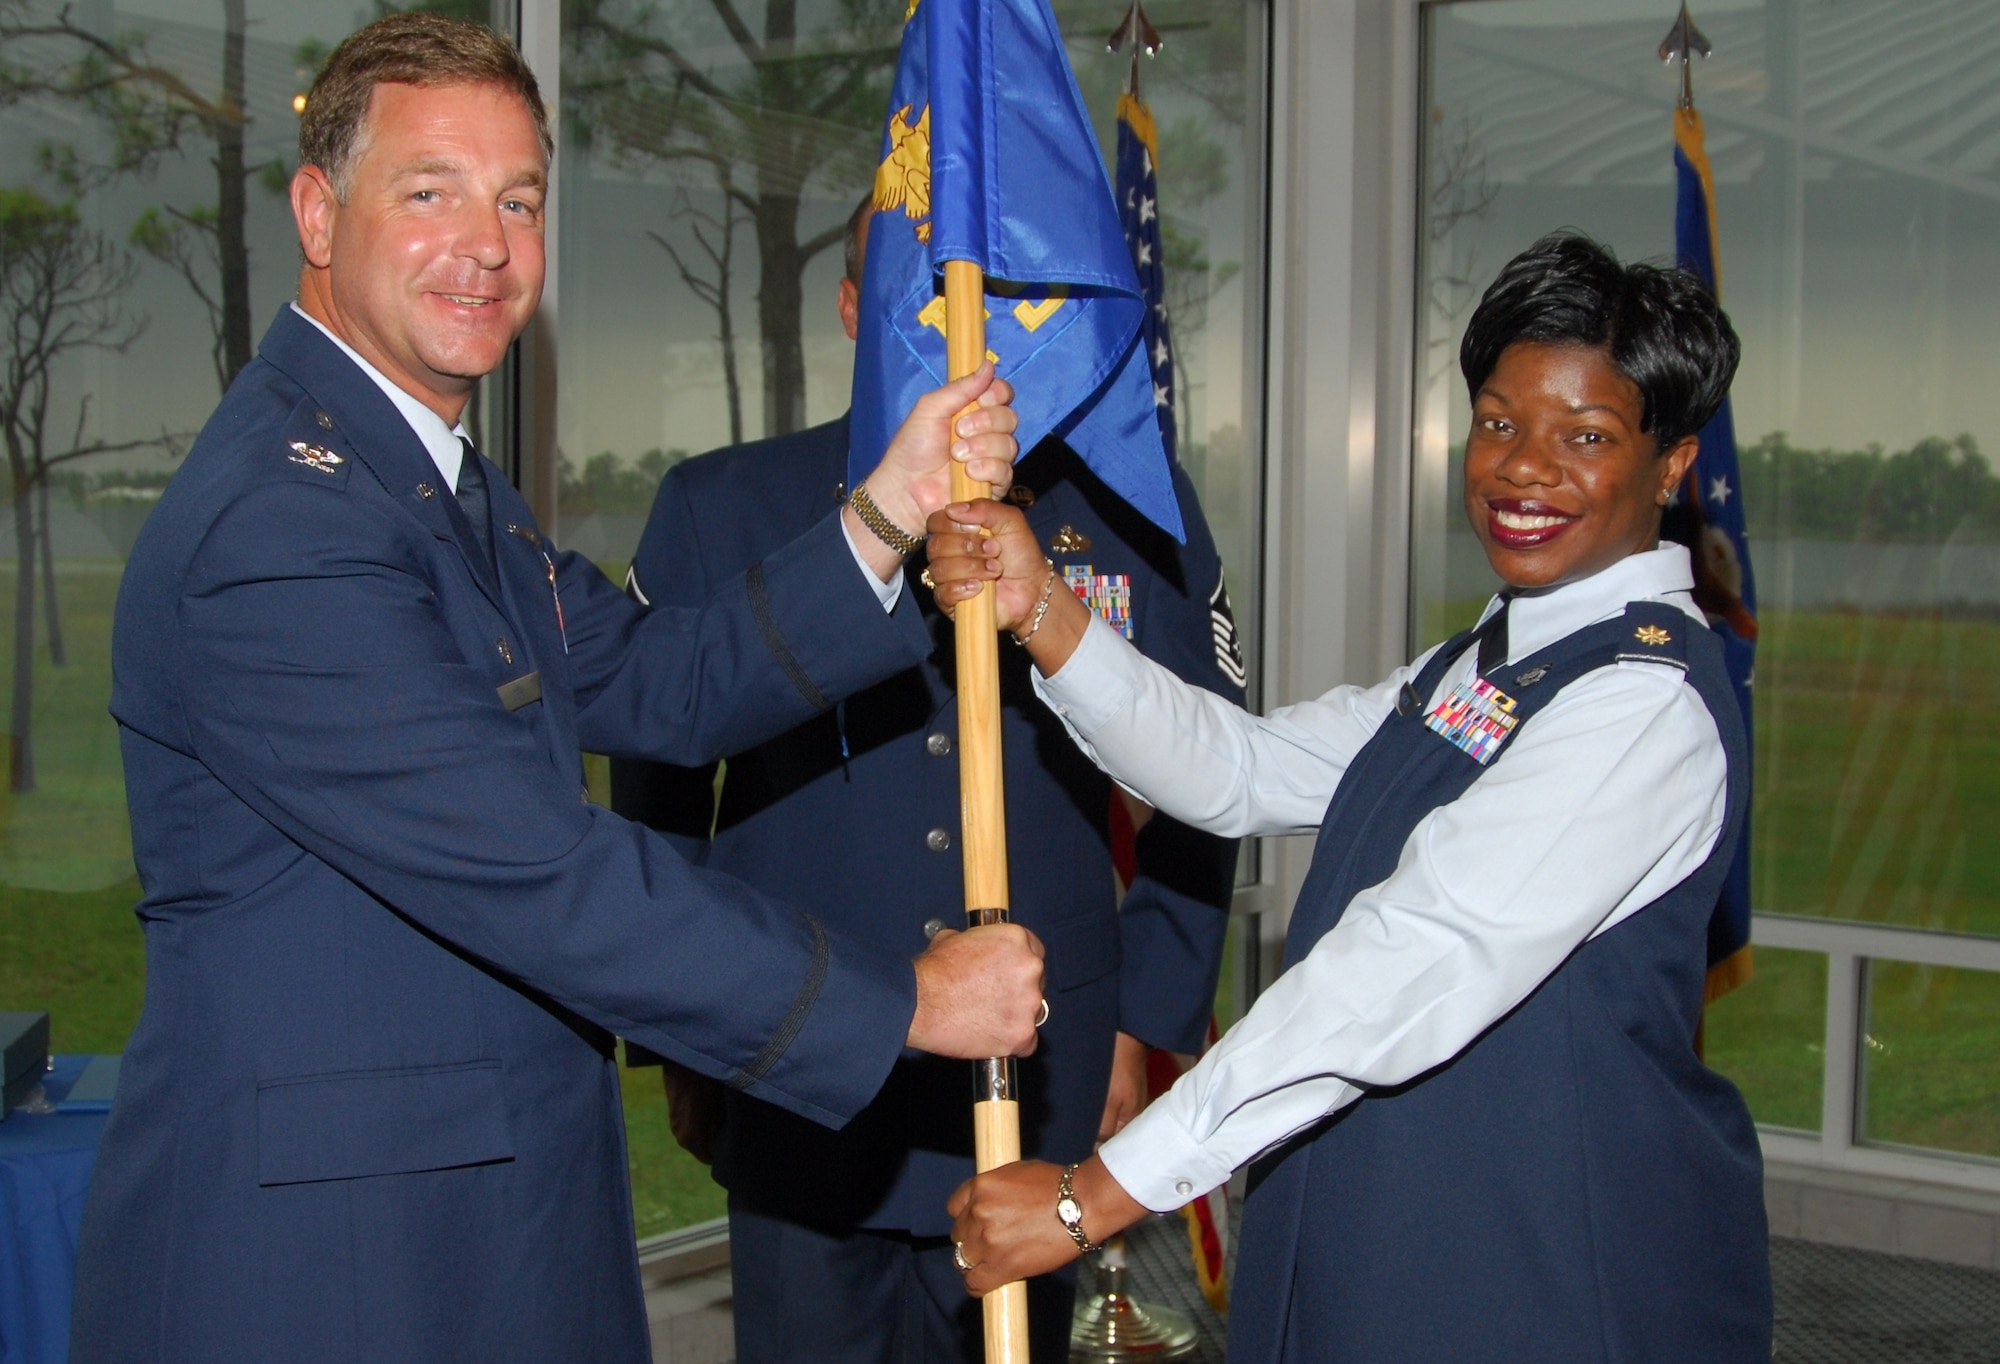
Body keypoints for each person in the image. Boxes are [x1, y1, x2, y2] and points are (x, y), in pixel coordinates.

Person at [72, 16, 1047, 1363]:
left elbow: (658, 678)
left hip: (482, 1213)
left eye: (517, 199)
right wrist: (910, 1002)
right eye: (430, 192)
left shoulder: (429, 482)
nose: (485, 242)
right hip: (337, 1264)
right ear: (316, 209)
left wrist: (890, 512)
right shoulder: (281, 529)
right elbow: (541, 871)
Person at [930, 233, 1774, 1361]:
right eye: (1496, 421)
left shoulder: (1641, 703)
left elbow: (1404, 959)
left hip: (1539, 1268)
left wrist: (1092, 1194)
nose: (1522, 468)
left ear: (1669, 465)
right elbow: (1239, 768)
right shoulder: (1491, 653)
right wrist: (1039, 607)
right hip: (1390, 1231)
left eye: (1584, 435)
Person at [611, 194, 1244, 1364]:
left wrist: (1141, 1019)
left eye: (992, 301)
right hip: (795, 1068)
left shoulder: (1125, 514)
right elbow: (656, 798)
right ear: (853, 308)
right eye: (917, 293)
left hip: (1039, 1072)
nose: (959, 327)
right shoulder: (722, 508)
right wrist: (684, 1033)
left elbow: (1214, 774)